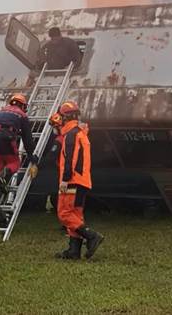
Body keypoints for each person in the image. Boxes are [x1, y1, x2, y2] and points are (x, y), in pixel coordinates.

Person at [55, 101, 102, 260]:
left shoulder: (71, 134)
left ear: (65, 117)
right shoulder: (81, 133)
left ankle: (92, 236)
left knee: (64, 214)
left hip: (72, 180)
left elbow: (70, 158)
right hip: (82, 181)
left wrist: (65, 179)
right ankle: (74, 251)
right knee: (75, 215)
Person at [0, 93, 38, 184]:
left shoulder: (2, 111)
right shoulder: (22, 115)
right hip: (6, 136)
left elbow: (3, 124)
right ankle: (2, 175)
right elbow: (27, 139)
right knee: (14, 163)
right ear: (22, 105)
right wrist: (31, 157)